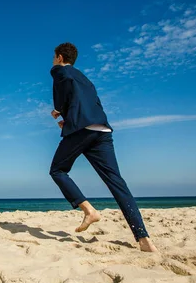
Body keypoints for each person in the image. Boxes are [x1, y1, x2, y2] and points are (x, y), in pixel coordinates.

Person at [49, 42, 157, 252]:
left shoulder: (60, 71)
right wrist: (68, 118)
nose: (53, 61)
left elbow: (63, 94)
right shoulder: (86, 80)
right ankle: (143, 239)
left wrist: (59, 112)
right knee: (117, 183)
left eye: (54, 57)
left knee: (57, 170)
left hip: (82, 130)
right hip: (102, 130)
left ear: (60, 57)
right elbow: (87, 102)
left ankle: (89, 211)